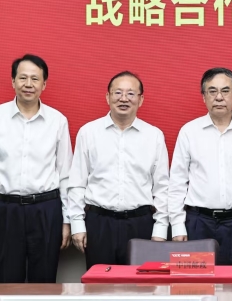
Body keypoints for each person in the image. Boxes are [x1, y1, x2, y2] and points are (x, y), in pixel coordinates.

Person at [0, 54, 73, 283]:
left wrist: (67, 220)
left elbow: (65, 175)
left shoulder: (58, 121)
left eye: (35, 79)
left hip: (46, 210)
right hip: (5, 211)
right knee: (8, 282)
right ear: (13, 81)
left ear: (44, 84)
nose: (28, 84)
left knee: (45, 283)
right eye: (23, 78)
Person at [68, 71, 169, 268]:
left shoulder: (154, 136)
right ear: (108, 97)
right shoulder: (89, 132)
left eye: (131, 93)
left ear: (141, 99)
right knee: (100, 284)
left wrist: (160, 230)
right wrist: (77, 224)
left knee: (140, 285)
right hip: (99, 224)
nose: (124, 99)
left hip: (141, 224)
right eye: (118, 93)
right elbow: (77, 183)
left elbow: (162, 188)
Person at [168, 67, 232, 265]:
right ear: (204, 97)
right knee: (195, 282)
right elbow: (177, 183)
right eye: (212, 91)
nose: (219, 97)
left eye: (225, 91)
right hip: (197, 223)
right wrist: (177, 226)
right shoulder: (189, 132)